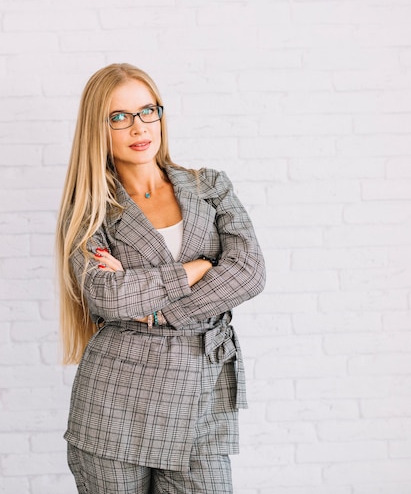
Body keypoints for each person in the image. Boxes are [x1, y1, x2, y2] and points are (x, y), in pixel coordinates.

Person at [56, 63, 266, 494]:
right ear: (98, 128)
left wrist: (152, 308)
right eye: (119, 117)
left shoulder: (209, 187)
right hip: (114, 405)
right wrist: (197, 268)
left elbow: (249, 272)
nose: (139, 127)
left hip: (201, 399)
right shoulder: (91, 208)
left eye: (148, 110)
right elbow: (106, 297)